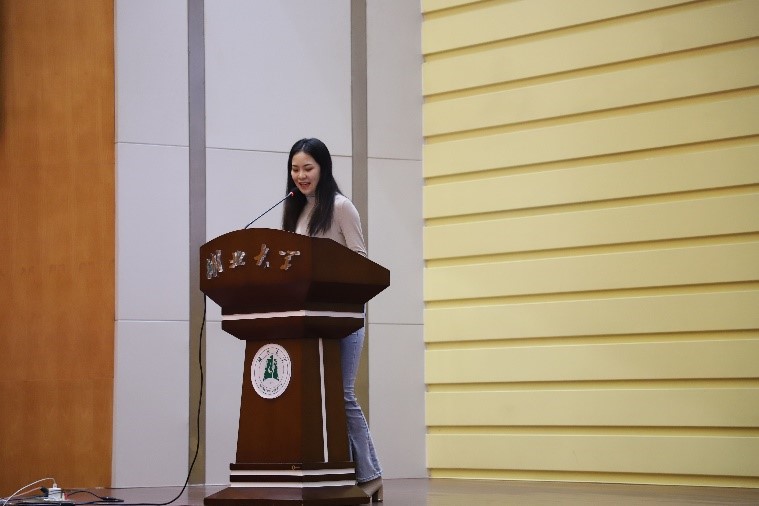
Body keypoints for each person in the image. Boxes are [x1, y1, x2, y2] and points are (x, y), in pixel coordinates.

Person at [281, 138, 383, 502]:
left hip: (344, 316)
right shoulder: (295, 210)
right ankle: (331, 473)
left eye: (308, 168)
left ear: (323, 169)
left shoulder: (340, 207)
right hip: (309, 318)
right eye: (295, 169)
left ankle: (370, 474)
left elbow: (361, 261)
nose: (301, 175)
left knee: (341, 395)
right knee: (315, 396)